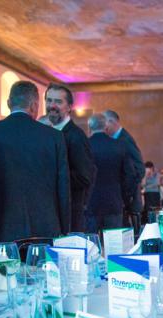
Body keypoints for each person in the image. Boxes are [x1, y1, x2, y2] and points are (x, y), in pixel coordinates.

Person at [0, 81, 70, 253]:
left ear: (9, 103)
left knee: (4, 277)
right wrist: (63, 228)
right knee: (45, 276)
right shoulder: (54, 137)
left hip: (1, 225)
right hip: (45, 225)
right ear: (34, 105)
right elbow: (63, 186)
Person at [44, 84, 96, 232]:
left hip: (69, 214)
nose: (52, 106)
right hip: (52, 212)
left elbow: (84, 176)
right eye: (49, 100)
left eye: (58, 102)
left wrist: (51, 179)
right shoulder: (46, 133)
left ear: (69, 107)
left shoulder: (76, 136)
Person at [86, 113, 134, 232]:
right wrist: (126, 197)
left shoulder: (85, 146)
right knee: (114, 244)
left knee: (92, 244)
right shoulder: (119, 145)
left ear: (89, 128)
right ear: (105, 127)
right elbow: (130, 175)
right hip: (114, 201)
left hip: (91, 202)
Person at [104, 110, 145, 226]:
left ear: (111, 122)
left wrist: (126, 193)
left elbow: (139, 168)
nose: (103, 128)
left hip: (127, 200)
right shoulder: (117, 139)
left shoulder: (125, 140)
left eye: (104, 124)